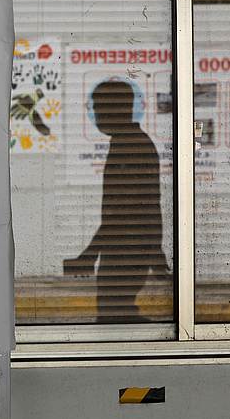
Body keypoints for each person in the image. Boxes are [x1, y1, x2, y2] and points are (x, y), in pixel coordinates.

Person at [63, 79, 168, 323]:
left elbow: (124, 210)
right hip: (129, 245)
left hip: (127, 248)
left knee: (114, 313)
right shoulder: (129, 141)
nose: (96, 117)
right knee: (116, 312)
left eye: (99, 110)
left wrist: (89, 255)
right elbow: (142, 204)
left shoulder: (130, 145)